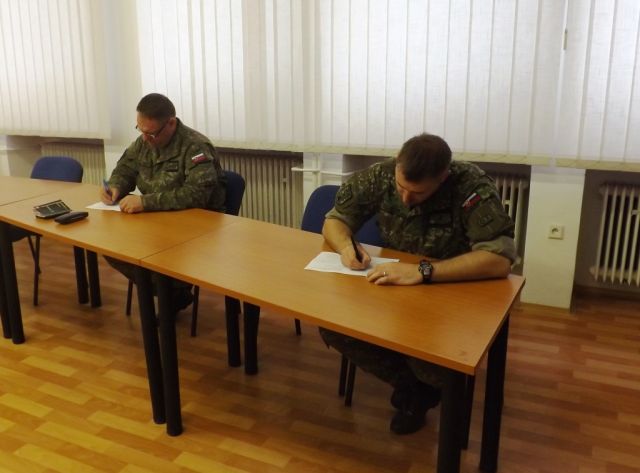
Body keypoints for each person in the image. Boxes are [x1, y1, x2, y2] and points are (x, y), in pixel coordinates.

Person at [319, 133, 517, 435]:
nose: (405, 199)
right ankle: (415, 389)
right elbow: (335, 220)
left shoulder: (470, 186)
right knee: (335, 327)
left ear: (442, 177)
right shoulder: (382, 174)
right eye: (401, 187)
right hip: (395, 286)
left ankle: (427, 388)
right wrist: (346, 247)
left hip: (451, 291)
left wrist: (423, 271)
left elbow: (499, 259)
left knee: (435, 368)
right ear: (398, 164)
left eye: (418, 193)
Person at [101, 93, 226, 311]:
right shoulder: (144, 141)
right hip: (156, 221)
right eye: (140, 130)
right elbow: (125, 168)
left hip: (195, 226)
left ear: (171, 123)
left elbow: (197, 194)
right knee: (113, 248)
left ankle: (171, 291)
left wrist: (145, 202)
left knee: (155, 255)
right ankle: (171, 292)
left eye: (151, 133)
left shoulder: (195, 146)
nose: (145, 138)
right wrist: (116, 187)